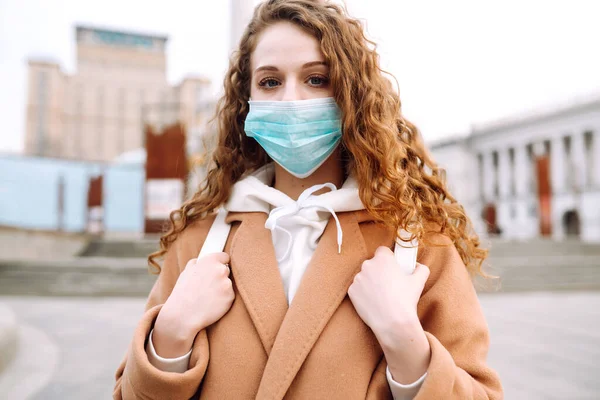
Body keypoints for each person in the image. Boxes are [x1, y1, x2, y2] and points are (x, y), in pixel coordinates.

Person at [114, 0, 503, 399]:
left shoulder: (418, 245)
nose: (291, 100)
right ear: (246, 100)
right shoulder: (199, 241)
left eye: (316, 79)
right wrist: (171, 334)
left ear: (350, 94)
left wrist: (406, 341)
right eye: (270, 82)